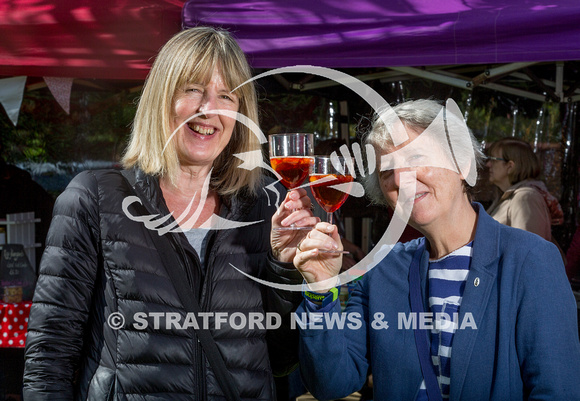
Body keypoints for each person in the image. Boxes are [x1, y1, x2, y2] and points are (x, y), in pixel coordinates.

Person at [23, 27, 316, 400]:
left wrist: (286, 272)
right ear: (162, 98)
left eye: (226, 95)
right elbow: (50, 356)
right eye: (192, 89)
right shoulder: (93, 199)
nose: (207, 108)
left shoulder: (263, 206)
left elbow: (280, 360)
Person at [292, 99, 580, 400]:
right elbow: (332, 383)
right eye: (387, 170)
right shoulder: (381, 269)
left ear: (462, 165)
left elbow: (556, 390)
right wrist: (320, 291)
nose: (402, 180)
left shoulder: (530, 260)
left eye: (417, 158)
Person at [485, 137, 563, 242]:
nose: (488, 164)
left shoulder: (526, 198)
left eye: (493, 160)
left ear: (510, 166)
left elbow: (528, 249)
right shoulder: (509, 196)